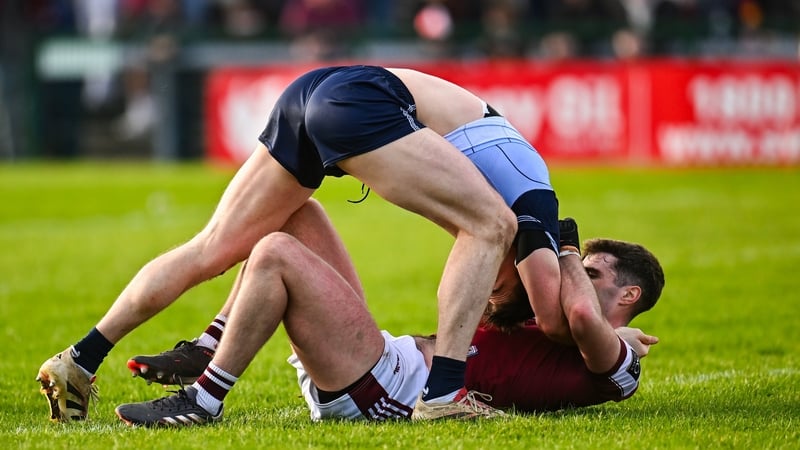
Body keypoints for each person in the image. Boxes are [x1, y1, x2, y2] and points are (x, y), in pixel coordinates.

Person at [38, 64, 565, 422]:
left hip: (317, 89)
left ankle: (81, 359)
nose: (486, 298)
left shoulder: (507, 172)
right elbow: (559, 313)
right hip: (365, 100)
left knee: (214, 246)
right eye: (496, 293)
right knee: (492, 227)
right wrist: (612, 335)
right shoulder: (536, 209)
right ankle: (446, 394)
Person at [113, 210, 664, 426]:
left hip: (392, 392)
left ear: (629, 294)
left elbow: (580, 316)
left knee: (278, 253)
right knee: (293, 212)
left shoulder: (617, 363)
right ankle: (211, 343)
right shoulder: (560, 323)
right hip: (381, 359)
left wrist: (564, 249)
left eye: (594, 274)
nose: (576, 278)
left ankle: (203, 399)